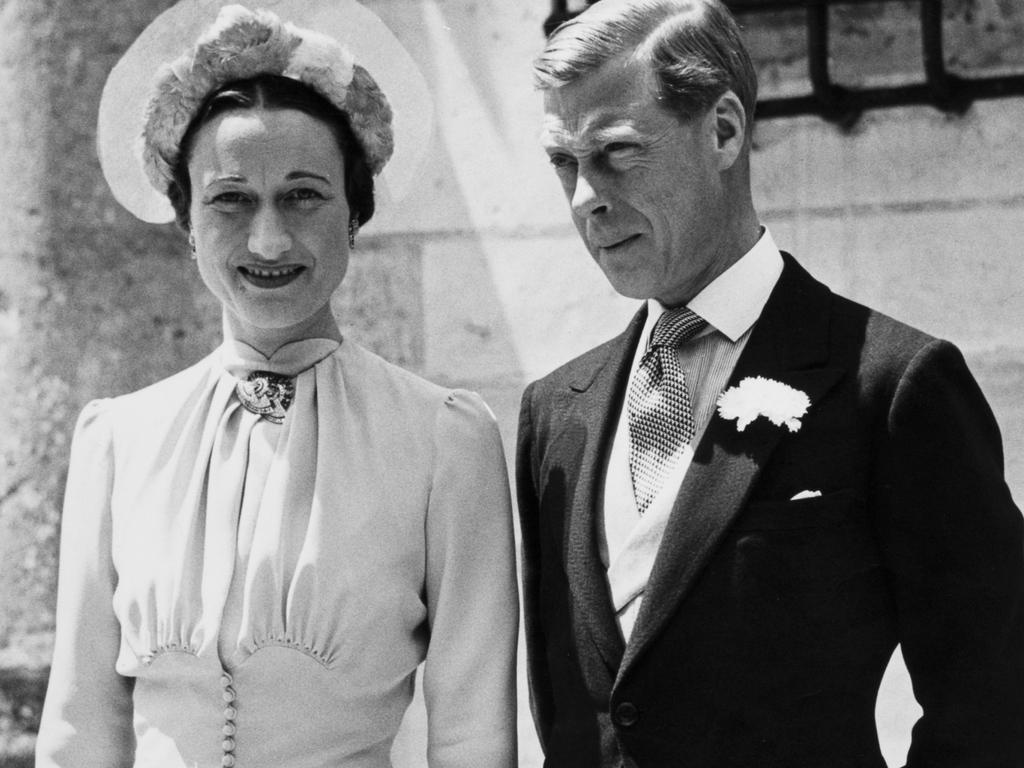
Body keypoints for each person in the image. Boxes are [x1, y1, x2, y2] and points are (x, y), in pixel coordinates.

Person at [516, 1, 1024, 766]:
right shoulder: (555, 410)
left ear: (723, 131)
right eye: (565, 163)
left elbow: (996, 697)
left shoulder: (890, 384)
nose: (587, 198)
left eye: (617, 152)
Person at [37, 4, 518, 767]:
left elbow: (472, 735)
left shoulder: (446, 442)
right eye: (231, 199)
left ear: (355, 213)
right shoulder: (117, 442)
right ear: (187, 221)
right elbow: (80, 729)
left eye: (303, 196)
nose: (268, 239)